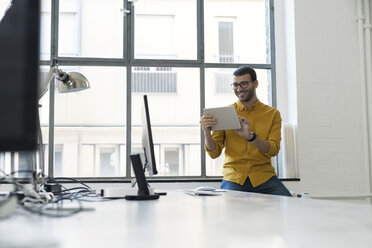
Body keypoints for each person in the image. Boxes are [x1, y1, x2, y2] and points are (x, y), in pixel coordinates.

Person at [200, 66, 291, 196]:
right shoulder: (225, 113)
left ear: (256, 83)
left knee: (289, 205)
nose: (239, 89)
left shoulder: (272, 114)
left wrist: (250, 136)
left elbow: (273, 150)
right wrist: (206, 132)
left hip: (264, 177)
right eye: (235, 85)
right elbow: (214, 153)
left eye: (244, 83)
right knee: (230, 213)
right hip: (234, 178)